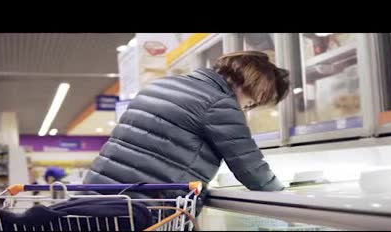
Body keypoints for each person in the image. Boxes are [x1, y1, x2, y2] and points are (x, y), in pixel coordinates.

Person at [84, 51, 290, 214]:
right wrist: (283, 197)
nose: (250, 106)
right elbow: (251, 168)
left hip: (95, 195)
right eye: (255, 99)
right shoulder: (219, 104)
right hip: (144, 207)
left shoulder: (159, 86)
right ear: (252, 83)